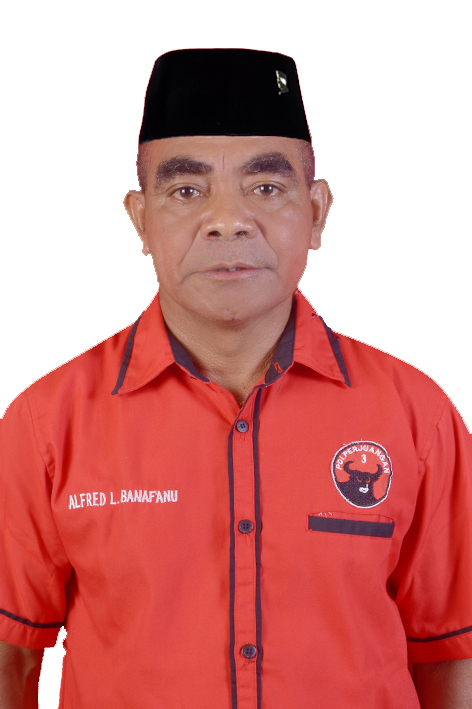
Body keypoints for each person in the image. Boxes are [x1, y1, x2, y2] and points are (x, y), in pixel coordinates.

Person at [0, 48, 471, 709]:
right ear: (140, 218)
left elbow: (452, 654)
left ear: (318, 212)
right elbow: (11, 658)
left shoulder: (417, 418)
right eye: (186, 190)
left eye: (266, 187)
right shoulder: (46, 426)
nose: (228, 219)